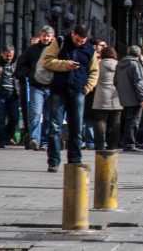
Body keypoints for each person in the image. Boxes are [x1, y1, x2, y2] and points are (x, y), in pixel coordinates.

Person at [43, 24, 99, 173]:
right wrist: (65, 65)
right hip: (58, 91)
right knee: (55, 127)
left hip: (78, 92)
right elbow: (47, 61)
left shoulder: (89, 49)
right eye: (77, 40)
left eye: (82, 41)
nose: (79, 43)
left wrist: (87, 88)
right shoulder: (60, 42)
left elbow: (94, 71)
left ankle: (75, 160)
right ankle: (53, 161)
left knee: (77, 128)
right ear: (73, 34)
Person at [14, 27, 55, 151]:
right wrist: (31, 73)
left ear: (52, 36)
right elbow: (21, 66)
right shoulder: (32, 49)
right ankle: (34, 139)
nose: (46, 38)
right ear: (40, 35)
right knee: (36, 113)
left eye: (48, 36)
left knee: (48, 116)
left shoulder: (56, 49)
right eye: (44, 35)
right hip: (36, 86)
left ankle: (44, 141)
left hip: (51, 87)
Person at [115, 45, 143, 152]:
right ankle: (131, 143)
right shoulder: (135, 64)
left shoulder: (120, 64)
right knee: (134, 121)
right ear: (138, 54)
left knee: (128, 120)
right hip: (135, 97)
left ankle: (127, 143)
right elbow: (139, 83)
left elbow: (115, 81)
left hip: (124, 97)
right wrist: (142, 98)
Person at [92, 46, 121, 150]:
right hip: (116, 95)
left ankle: (99, 145)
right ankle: (112, 146)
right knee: (115, 122)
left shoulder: (99, 65)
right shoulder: (119, 65)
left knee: (100, 121)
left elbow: (93, 78)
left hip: (101, 94)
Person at [0, 45, 20, 148]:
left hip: (13, 94)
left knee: (14, 118)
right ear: (2, 54)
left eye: (11, 55)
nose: (9, 57)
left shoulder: (16, 63)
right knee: (0, 118)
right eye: (7, 55)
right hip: (1, 94)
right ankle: (1, 140)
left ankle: (7, 136)